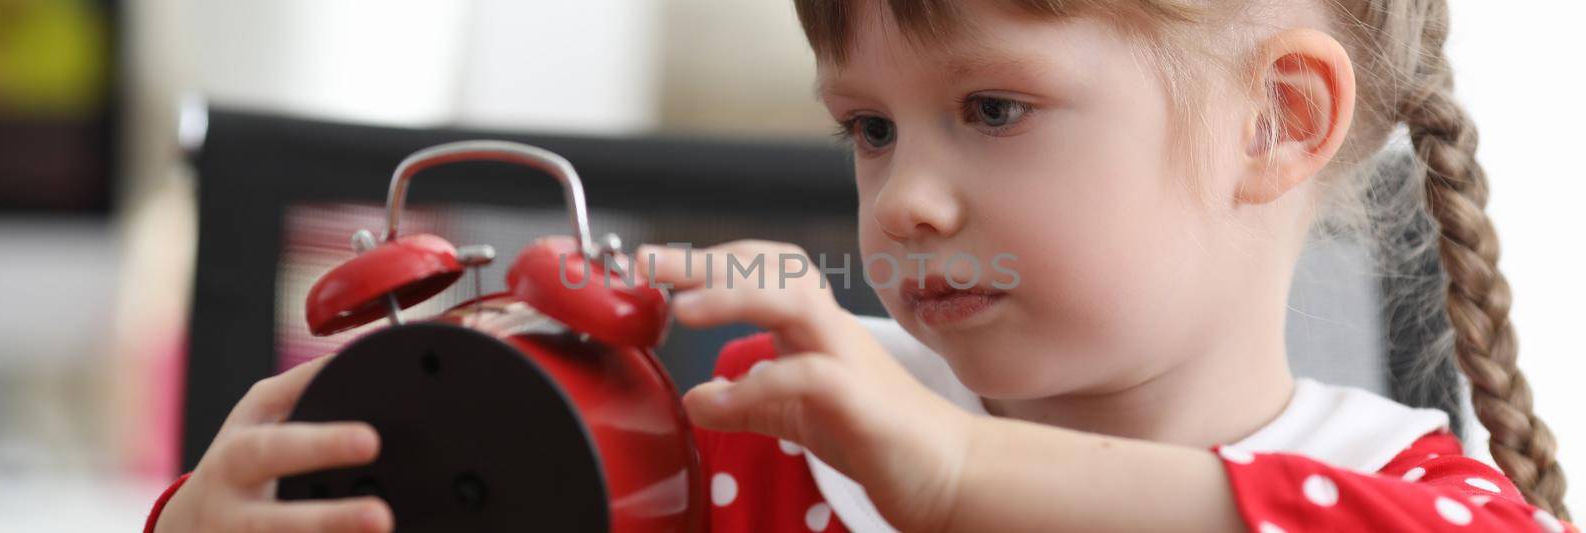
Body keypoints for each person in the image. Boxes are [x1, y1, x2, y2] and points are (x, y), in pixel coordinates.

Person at [146, 0, 1577, 531]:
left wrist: (958, 479)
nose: (910, 198)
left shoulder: (1422, 502)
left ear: (1280, 120)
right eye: (870, 128)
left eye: (994, 109)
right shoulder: (772, 460)